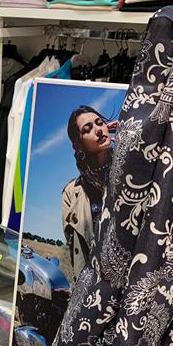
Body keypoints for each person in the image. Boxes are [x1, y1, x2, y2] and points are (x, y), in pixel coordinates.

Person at [61, 105, 114, 280]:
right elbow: (75, 248)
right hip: (95, 281)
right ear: (78, 144)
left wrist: (129, 136)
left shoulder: (130, 165)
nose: (98, 130)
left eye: (99, 123)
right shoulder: (71, 192)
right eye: (87, 129)